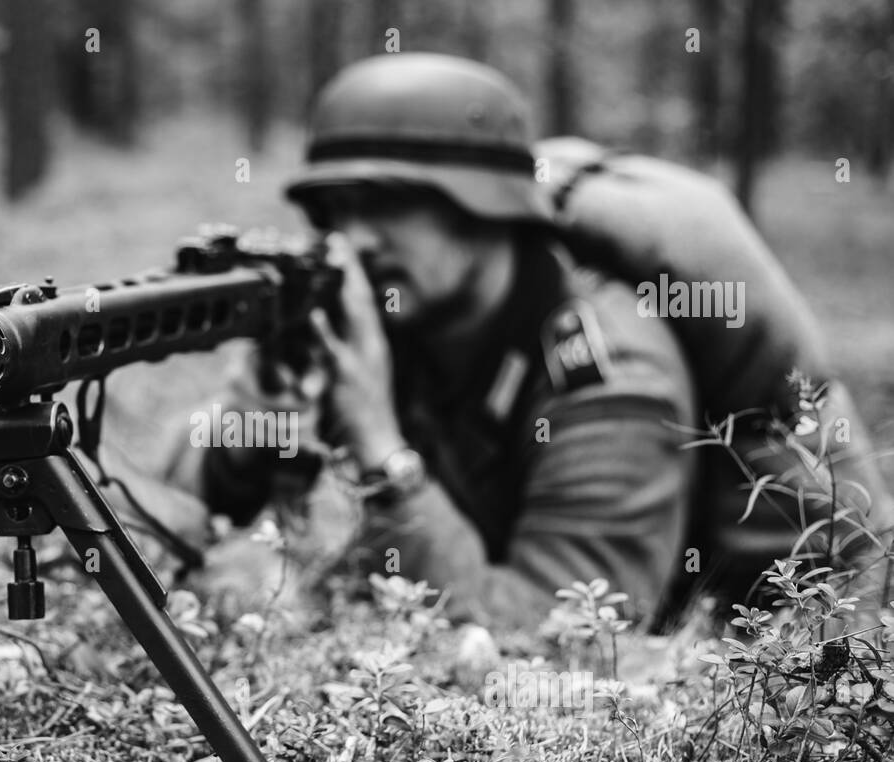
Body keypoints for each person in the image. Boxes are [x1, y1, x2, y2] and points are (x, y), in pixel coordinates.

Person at [164, 53, 892, 631]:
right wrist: (258, 408)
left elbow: (555, 634)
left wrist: (383, 453)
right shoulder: (397, 316)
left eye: (389, 203)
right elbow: (183, 509)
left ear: (488, 208)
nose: (354, 238)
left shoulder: (612, 373)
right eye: (334, 210)